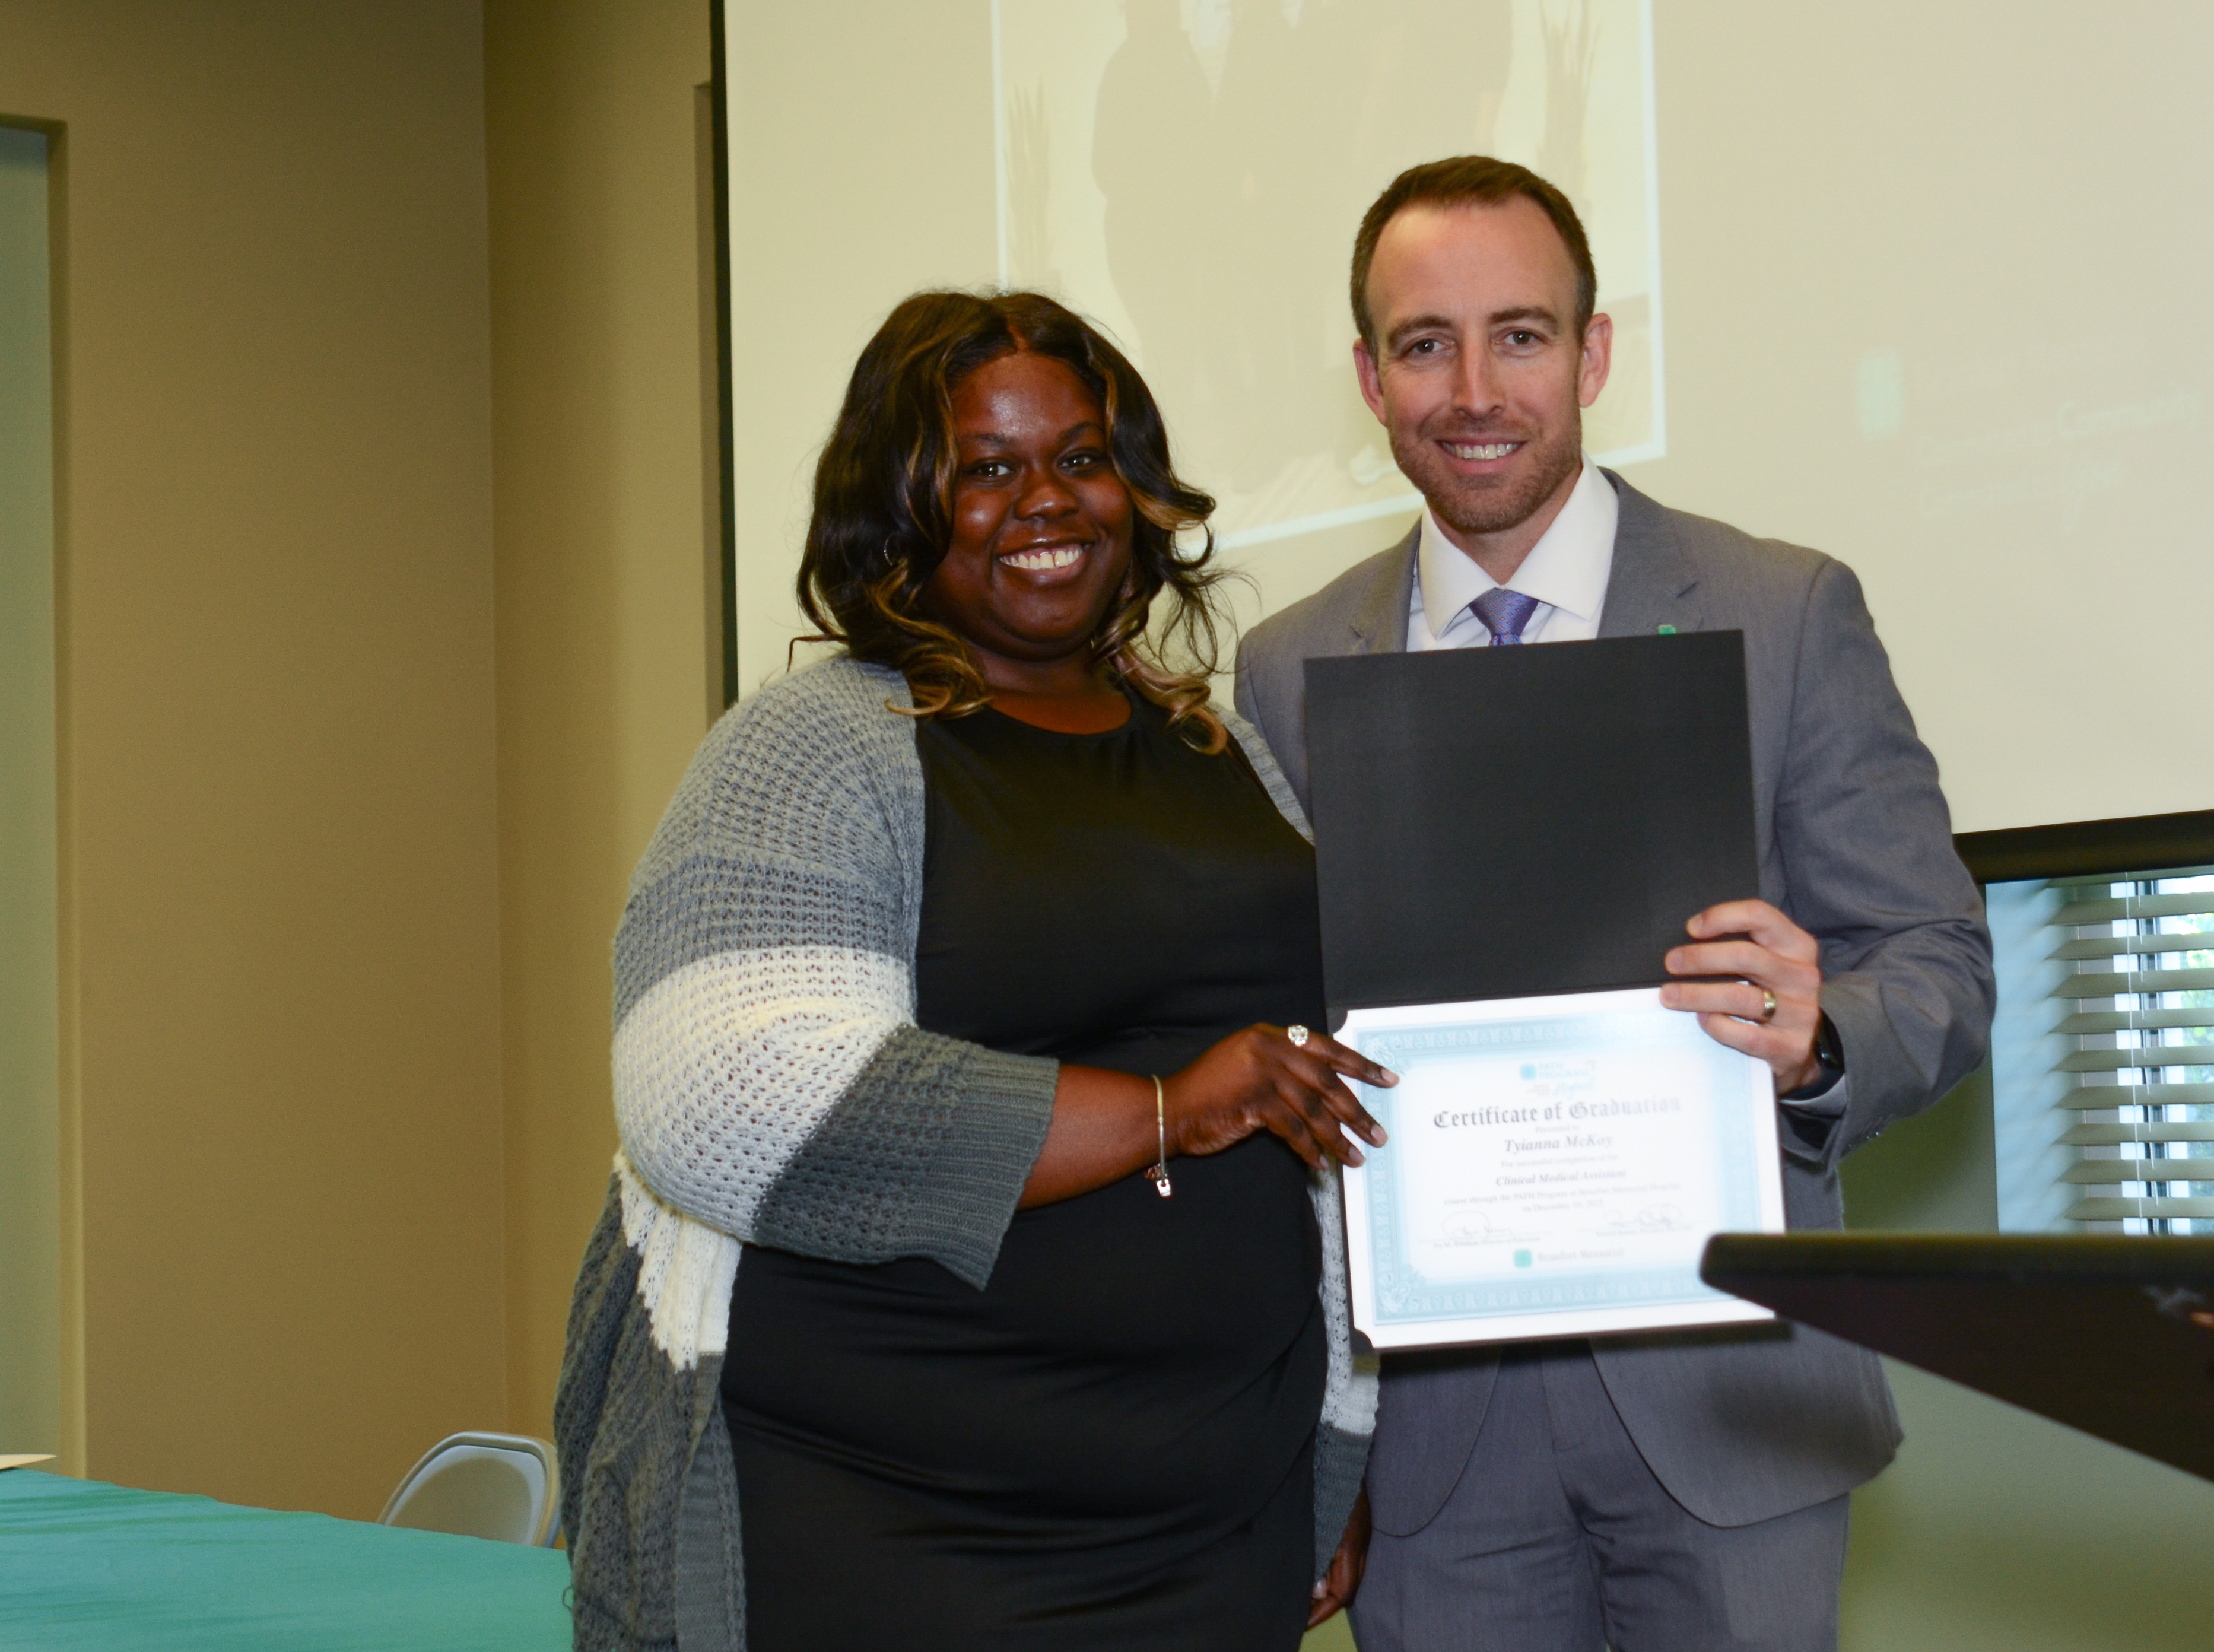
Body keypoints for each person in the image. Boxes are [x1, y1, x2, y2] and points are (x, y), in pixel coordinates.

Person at [555, 290, 1392, 1652]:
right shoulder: (813, 747)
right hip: (895, 1531)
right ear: (901, 509)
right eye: (986, 469)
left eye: (1078, 457)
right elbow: (717, 1097)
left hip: (1207, 1537)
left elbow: (1337, 1092)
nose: (1045, 501)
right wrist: (1172, 1110)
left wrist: (1338, 1444)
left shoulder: (1221, 750)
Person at [1234, 157, 1995, 1651]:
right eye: (1421, 343)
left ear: (1590, 354)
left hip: (1728, 1403)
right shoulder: (1283, 670)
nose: (1472, 389)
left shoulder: (1779, 611)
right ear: (1368, 380)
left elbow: (1937, 964)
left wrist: (1819, 1037)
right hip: (1431, 1437)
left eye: (1518, 335)